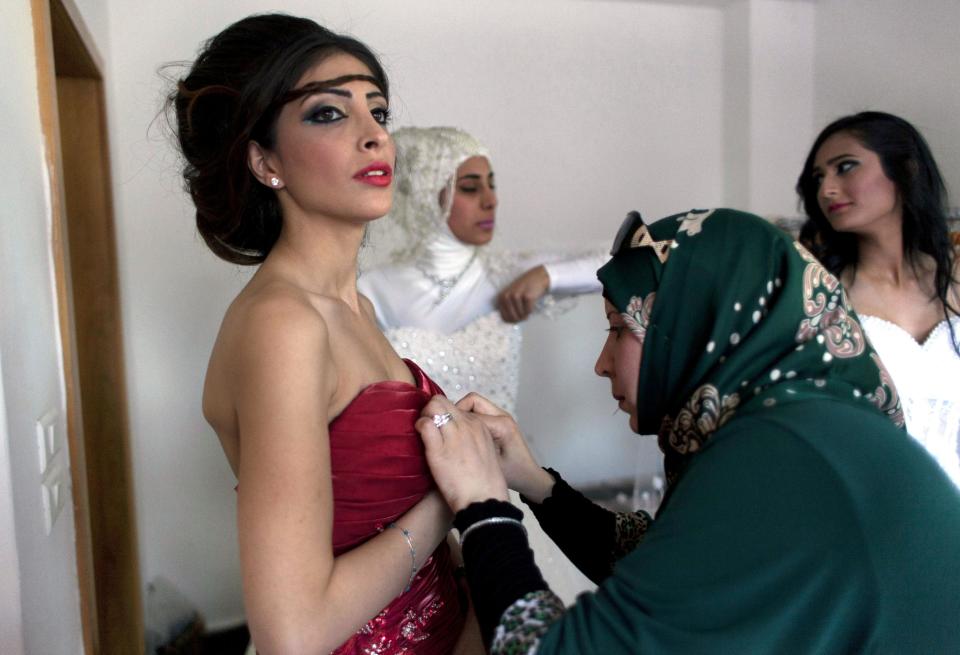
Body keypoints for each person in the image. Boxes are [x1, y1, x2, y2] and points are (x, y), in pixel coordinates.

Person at [415, 208, 960, 653]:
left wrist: (484, 506)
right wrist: (536, 483)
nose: (601, 364)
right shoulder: (805, 423)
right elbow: (665, 567)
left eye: (617, 330)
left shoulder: (778, 454)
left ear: (692, 325)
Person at [170, 15, 479, 653]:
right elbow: (293, 633)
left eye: (379, 112)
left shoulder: (354, 306)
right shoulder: (282, 325)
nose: (375, 138)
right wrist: (453, 498)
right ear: (263, 159)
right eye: (328, 114)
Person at [358, 126, 602, 602]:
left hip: (500, 479)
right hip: (411, 498)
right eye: (471, 188)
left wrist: (545, 274)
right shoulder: (374, 288)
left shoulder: (504, 273)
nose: (491, 201)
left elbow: (626, 259)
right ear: (430, 193)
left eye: (492, 184)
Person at [798, 111, 960, 487]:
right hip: (875, 505)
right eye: (818, 178)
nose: (827, 190)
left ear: (907, 170)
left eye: (846, 167)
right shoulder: (820, 297)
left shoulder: (955, 279)